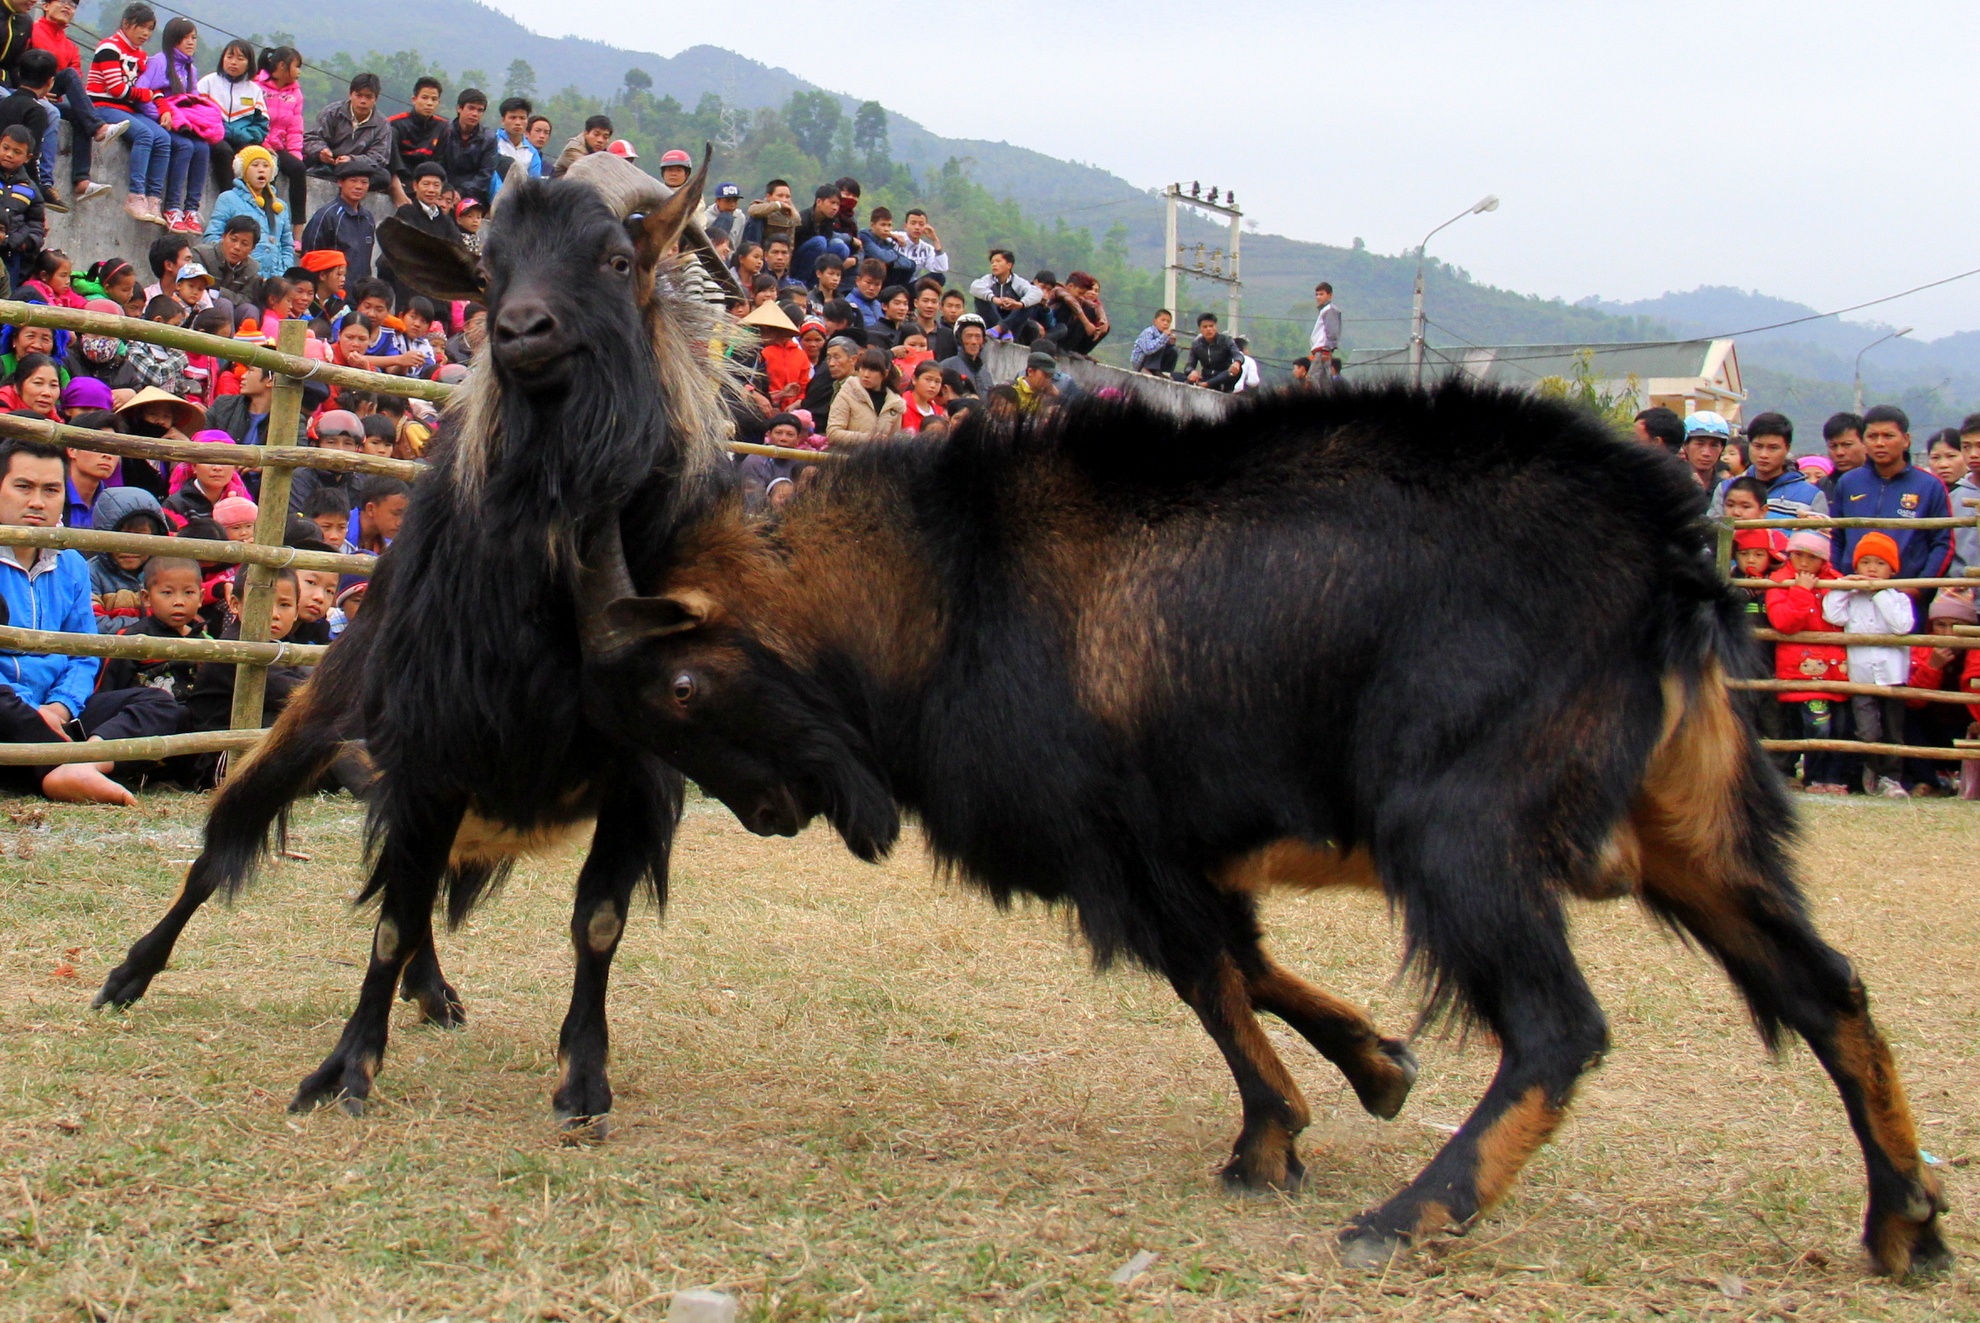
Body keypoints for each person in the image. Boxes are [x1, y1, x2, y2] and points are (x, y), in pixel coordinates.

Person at [0, 437, 181, 804]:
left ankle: (84, 763)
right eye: (23, 487)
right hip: (9, 710)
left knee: (159, 702)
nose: (37, 501)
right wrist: (31, 712)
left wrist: (60, 706)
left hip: (62, 712)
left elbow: (85, 652)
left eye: (51, 489)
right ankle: (60, 766)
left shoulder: (71, 565)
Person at [1823, 531, 1914, 797]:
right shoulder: (1851, 597)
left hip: (1893, 676)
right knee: (1866, 729)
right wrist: (1847, 587)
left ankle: (1892, 777)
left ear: (1892, 570)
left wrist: (1878, 593)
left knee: (1893, 730)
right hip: (1861, 675)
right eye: (1865, 562)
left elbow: (1902, 626)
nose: (1871, 569)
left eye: (1879, 563)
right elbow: (1833, 614)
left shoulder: (1898, 598)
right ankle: (1873, 769)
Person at [1766, 530, 1853, 793]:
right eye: (1798, 555)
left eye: (1811, 557)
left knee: (1839, 727)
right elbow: (1784, 622)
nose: (1803, 562)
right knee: (1819, 725)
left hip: (1836, 671)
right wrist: (1801, 592)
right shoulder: (1780, 581)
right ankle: (1814, 777)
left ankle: (1834, 778)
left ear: (1823, 560)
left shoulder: (1836, 581)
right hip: (1802, 673)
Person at [1831, 404, 1952, 580]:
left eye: (1888, 436)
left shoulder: (1930, 485)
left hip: (1907, 594)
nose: (1880, 443)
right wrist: (1839, 579)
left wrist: (1919, 588)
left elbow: (1943, 543)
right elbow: (1836, 538)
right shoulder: (1848, 483)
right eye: (1873, 436)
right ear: (1864, 441)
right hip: (1853, 591)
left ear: (1906, 440)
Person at [86, 1, 173, 226]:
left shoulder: (141, 56)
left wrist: (162, 107)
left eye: (150, 29)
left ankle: (153, 198)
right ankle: (135, 195)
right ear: (126, 23)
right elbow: (117, 89)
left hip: (127, 109)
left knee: (163, 138)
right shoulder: (109, 48)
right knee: (144, 134)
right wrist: (145, 94)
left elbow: (152, 89)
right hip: (104, 108)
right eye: (141, 27)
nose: (145, 33)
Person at [28, 0, 121, 207]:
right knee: (68, 75)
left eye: (72, 4)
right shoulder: (33, 31)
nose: (67, 7)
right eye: (62, 1)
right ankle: (99, 128)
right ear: (45, 5)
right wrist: (36, 89)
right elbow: (21, 64)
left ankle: (82, 180)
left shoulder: (70, 46)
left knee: (79, 115)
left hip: (52, 96)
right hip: (28, 88)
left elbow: (76, 82)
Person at [100, 554, 206, 707]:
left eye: (188, 592)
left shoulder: (203, 641)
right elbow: (108, 692)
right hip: (144, 718)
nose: (179, 602)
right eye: (167, 593)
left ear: (201, 598)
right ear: (146, 598)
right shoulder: (132, 639)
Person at [135, 16, 206, 233]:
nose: (190, 42)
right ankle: (172, 207)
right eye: (184, 38)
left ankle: (191, 208)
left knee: (203, 148)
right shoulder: (159, 61)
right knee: (185, 147)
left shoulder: (191, 70)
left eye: (193, 37)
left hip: (182, 123)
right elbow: (142, 92)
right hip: (160, 120)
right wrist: (159, 116)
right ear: (172, 39)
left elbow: (193, 101)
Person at [1712, 412, 1826, 519]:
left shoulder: (1811, 496)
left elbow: (1818, 536)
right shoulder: (1726, 488)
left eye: (1773, 448)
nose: (1763, 455)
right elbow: (1712, 533)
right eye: (1758, 446)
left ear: (1787, 448)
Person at [203, 144, 293, 280]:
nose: (261, 170)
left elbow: (287, 244)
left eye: (265, 165)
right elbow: (212, 237)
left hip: (274, 279)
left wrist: (283, 271)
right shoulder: (228, 198)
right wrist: (235, 263)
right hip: (241, 277)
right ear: (243, 170)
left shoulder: (280, 207)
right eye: (255, 165)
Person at [86, 484, 164, 630]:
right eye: (121, 536)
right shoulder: (90, 574)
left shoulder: (163, 572)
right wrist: (146, 629)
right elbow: (93, 624)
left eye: (140, 536)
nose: (129, 546)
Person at [194, 36, 262, 200]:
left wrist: (242, 136)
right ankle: (231, 199)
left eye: (240, 58)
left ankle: (259, 203)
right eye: (229, 57)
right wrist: (222, 131)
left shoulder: (254, 91)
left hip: (242, 139)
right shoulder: (208, 83)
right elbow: (197, 113)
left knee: (258, 157)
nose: (233, 62)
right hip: (213, 136)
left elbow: (261, 126)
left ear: (249, 63)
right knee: (224, 152)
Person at [304, 71, 390, 192]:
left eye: (369, 97)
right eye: (359, 95)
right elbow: (310, 137)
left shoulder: (382, 124)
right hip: (329, 163)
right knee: (305, 162)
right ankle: (341, 181)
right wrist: (321, 151)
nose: (363, 101)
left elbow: (379, 157)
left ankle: (345, 182)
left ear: (376, 99)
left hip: (358, 170)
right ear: (350, 94)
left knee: (384, 177)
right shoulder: (332, 112)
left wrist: (352, 160)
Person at [252, 44, 306, 216]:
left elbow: (295, 128)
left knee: (298, 169)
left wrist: (295, 155)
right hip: (258, 142)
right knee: (268, 168)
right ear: (283, 65)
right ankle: (264, 219)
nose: (299, 71)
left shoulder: (296, 94)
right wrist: (265, 144)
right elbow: (253, 120)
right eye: (296, 66)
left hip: (278, 147)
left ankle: (297, 228)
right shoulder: (256, 87)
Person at [299, 163, 377, 280]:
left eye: (364, 182)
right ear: (340, 182)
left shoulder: (368, 218)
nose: (359, 186)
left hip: (361, 291)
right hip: (334, 291)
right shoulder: (327, 215)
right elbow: (310, 256)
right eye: (353, 181)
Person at [826, 346, 904, 446]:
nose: (866, 375)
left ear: (885, 373)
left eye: (873, 370)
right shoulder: (846, 394)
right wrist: (867, 439)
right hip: (847, 457)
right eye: (863, 368)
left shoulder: (895, 404)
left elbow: (894, 441)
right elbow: (833, 433)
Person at [0, 123, 45, 293]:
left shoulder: (30, 188)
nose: (9, 155)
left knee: (5, 303)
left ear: (27, 157)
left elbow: (36, 223)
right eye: (6, 148)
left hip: (11, 256)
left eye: (17, 152)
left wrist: (25, 243)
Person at [439, 87, 497, 202]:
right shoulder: (443, 131)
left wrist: (461, 192)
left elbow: (485, 174)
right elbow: (437, 163)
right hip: (441, 189)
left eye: (480, 110)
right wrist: (446, 190)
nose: (475, 114)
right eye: (471, 108)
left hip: (472, 194)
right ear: (459, 108)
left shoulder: (489, 139)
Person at [969, 249, 1041, 340]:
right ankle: (1003, 330)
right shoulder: (988, 279)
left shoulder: (1018, 282)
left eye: (998, 261)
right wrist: (995, 299)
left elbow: (1037, 292)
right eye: (992, 262)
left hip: (1012, 324)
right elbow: (974, 287)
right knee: (980, 298)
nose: (994, 265)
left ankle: (1001, 328)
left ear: (1009, 265)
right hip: (991, 325)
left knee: (1030, 303)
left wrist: (1019, 304)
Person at [793, 185, 853, 284]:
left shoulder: (829, 220)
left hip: (816, 261)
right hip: (798, 261)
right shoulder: (803, 219)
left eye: (837, 204)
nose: (835, 208)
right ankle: (800, 283)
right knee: (819, 242)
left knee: (842, 248)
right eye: (832, 203)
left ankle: (816, 283)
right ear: (819, 202)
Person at [1949, 414, 1980, 577]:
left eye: (1979, 446)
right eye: (1966, 447)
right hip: (1962, 587)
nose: (1973, 454)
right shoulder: (1954, 497)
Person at [1048, 273, 1109, 356]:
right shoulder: (1058, 290)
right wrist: (1086, 323)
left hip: (1064, 329)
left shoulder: (1078, 297)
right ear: (1070, 286)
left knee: (1093, 314)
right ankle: (1058, 346)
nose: (1081, 297)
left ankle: (1079, 351)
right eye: (1080, 293)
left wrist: (1103, 320)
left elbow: (1095, 306)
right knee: (1068, 306)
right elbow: (1070, 300)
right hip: (1052, 326)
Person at [1185, 313, 1241, 391]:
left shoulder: (1226, 340)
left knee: (1237, 370)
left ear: (1216, 327)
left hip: (1224, 376)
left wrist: (1237, 362)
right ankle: (1206, 384)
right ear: (1200, 329)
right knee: (1183, 378)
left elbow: (1237, 354)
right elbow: (1189, 365)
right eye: (1205, 327)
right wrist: (1192, 371)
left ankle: (1207, 384)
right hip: (1207, 376)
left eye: (1211, 326)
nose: (1208, 329)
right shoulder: (1196, 345)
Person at [492, 95, 542, 183]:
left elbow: (534, 182)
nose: (518, 123)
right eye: (513, 117)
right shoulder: (492, 143)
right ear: (503, 120)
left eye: (522, 118)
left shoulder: (532, 153)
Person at [938, 313, 989, 396]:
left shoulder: (986, 374)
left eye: (978, 336)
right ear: (959, 339)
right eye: (969, 336)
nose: (973, 341)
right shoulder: (946, 367)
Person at [746, 178, 799, 251]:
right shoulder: (762, 205)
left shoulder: (789, 212)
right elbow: (752, 210)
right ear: (768, 196)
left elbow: (797, 220)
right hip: (758, 246)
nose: (784, 199)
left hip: (778, 252)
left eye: (787, 197)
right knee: (756, 219)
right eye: (780, 196)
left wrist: (792, 209)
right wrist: (778, 205)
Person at [1680, 411, 1729, 489]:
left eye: (1714, 445)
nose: (1706, 453)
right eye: (1699, 444)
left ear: (1722, 448)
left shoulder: (1726, 489)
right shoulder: (1670, 484)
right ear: (1685, 445)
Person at [899, 209, 948, 284]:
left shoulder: (926, 249)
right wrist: (892, 236)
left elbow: (941, 268)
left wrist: (935, 240)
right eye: (913, 223)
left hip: (909, 286)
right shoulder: (894, 238)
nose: (917, 227)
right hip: (891, 283)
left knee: (939, 277)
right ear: (905, 226)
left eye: (921, 224)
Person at [1131, 309, 1179, 376]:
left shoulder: (1165, 335)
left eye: (1168, 321)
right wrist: (1163, 337)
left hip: (1156, 366)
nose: (1165, 323)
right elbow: (1148, 350)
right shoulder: (1148, 332)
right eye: (1163, 320)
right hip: (1142, 365)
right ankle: (1148, 370)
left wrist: (1170, 344)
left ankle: (1165, 372)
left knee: (1173, 349)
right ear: (1155, 321)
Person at [1309, 282, 1341, 376]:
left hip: (1323, 349)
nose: (1318, 297)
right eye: (1317, 294)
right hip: (1321, 350)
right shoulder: (1324, 310)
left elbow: (1331, 331)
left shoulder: (1329, 310)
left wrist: (1327, 349)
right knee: (1323, 378)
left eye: (1321, 294)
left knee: (1313, 376)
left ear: (1330, 295)